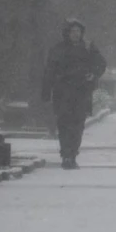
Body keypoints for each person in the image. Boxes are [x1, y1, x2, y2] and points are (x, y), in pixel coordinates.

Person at [41, 18, 106, 170]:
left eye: (78, 31)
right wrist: (46, 91)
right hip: (62, 92)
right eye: (73, 31)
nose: (76, 34)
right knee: (64, 124)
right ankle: (66, 155)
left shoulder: (88, 48)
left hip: (82, 92)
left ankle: (73, 154)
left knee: (78, 125)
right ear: (67, 33)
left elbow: (101, 63)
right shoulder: (58, 49)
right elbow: (49, 71)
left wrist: (93, 74)